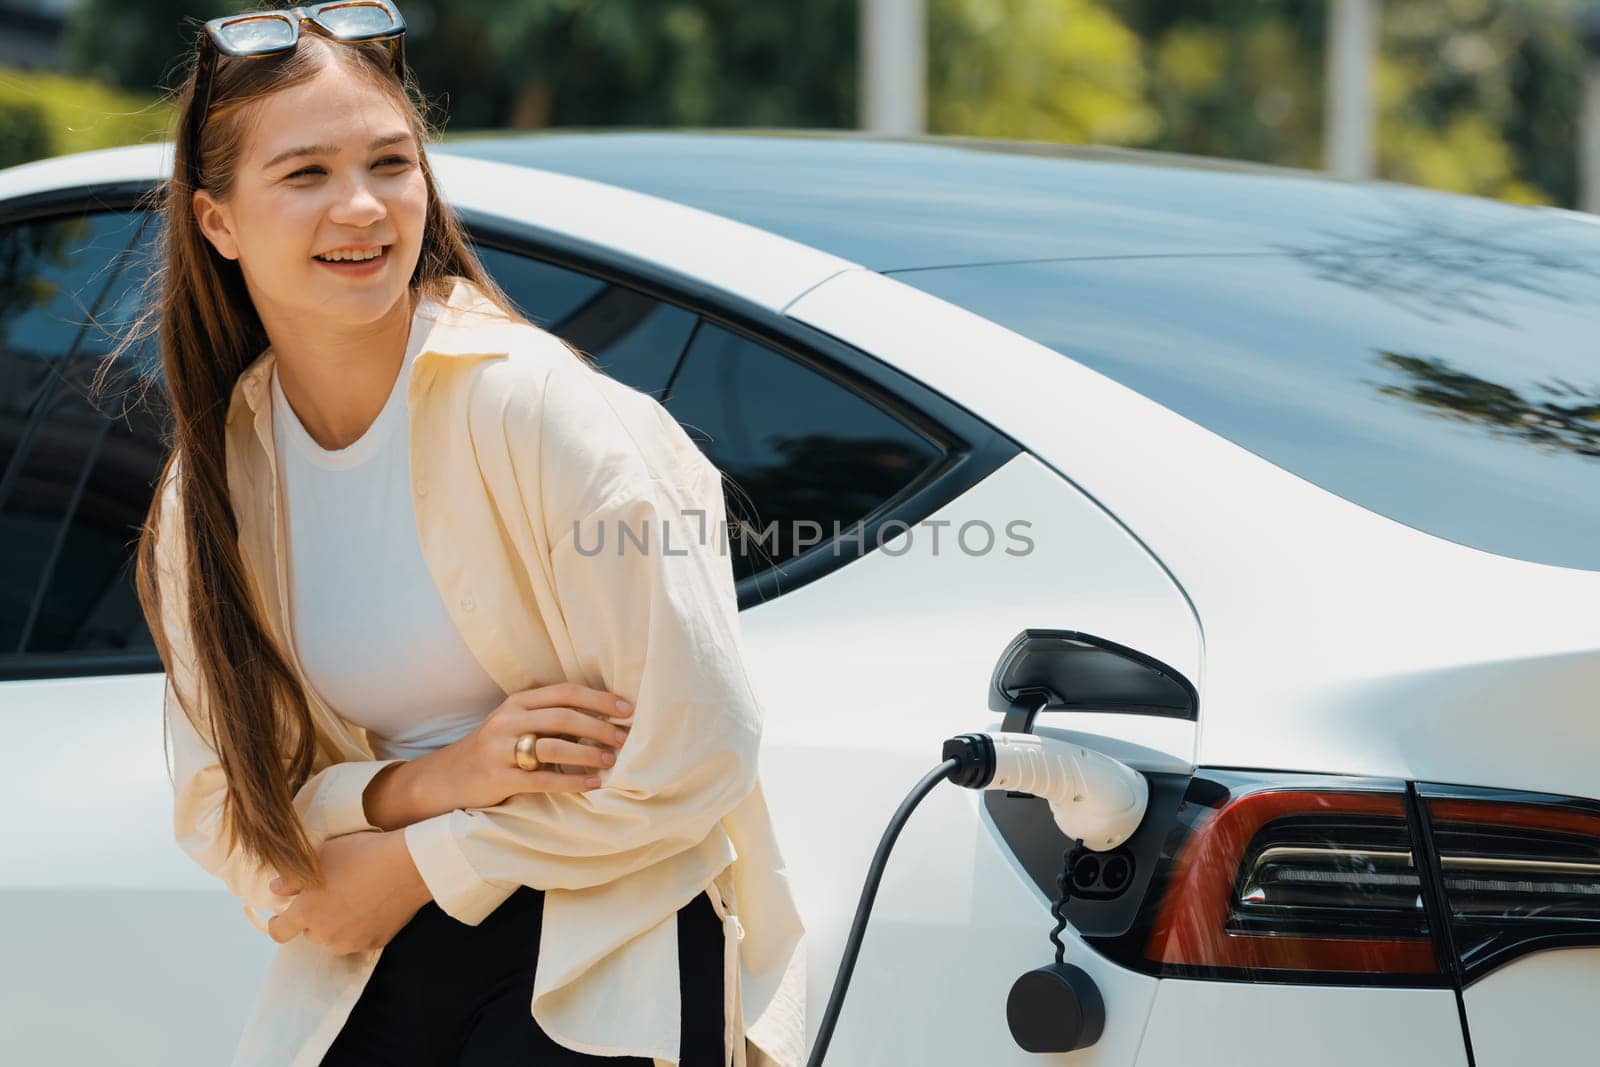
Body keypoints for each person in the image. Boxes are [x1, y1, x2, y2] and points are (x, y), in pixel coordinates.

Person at [128, 4, 807, 1065]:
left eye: (389, 164)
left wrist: (418, 858)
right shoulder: (215, 484)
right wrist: (438, 779)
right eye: (304, 174)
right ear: (217, 222)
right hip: (378, 959)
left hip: (598, 945)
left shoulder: (535, 410)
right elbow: (227, 808)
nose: (360, 207)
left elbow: (696, 748)